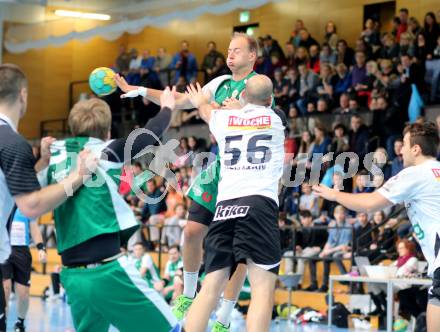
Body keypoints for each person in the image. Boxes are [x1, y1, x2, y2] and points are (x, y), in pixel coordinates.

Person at [115, 33, 269, 328]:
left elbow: (252, 124)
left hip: (244, 173)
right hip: (218, 166)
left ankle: (224, 316)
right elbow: (182, 100)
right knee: (191, 231)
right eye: (228, 49)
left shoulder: (260, 87)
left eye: (237, 50)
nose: (230, 54)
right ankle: (187, 294)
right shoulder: (221, 84)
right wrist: (139, 89)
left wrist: (213, 108)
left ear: (253, 55)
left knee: (238, 251)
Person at [37, 92, 179, 331]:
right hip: (106, 270)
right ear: (107, 132)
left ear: (73, 129)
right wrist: (167, 107)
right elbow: (149, 134)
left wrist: (41, 161)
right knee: (172, 328)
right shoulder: (106, 150)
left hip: (71, 275)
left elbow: (31, 189)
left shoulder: (52, 152)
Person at [313, 122, 440, 332]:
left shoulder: (415, 174)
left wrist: (334, 195)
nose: (401, 149)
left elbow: (371, 202)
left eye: (406, 144)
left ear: (416, 149)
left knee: (436, 300)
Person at [183, 74, 286, 332]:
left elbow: (207, 111)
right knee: (262, 289)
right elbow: (255, 111)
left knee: (210, 288)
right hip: (259, 205)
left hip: (225, 207)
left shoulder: (225, 120)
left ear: (242, 96)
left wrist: (198, 101)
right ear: (270, 100)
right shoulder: (276, 121)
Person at [0, 64, 97, 332]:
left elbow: (8, 183)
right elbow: (31, 205)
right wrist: (77, 177)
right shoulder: (12, 142)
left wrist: (42, 161)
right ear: (23, 95)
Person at [1, 208, 47, 332]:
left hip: (21, 251)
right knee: (4, 289)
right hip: (3, 249)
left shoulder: (24, 205)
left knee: (23, 293)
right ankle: (2, 324)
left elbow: (34, 227)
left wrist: (41, 248)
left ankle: (20, 322)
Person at [310, 205, 352, 292]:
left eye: (342, 213)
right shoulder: (333, 225)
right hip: (331, 250)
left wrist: (327, 251)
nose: (340, 216)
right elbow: (329, 242)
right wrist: (324, 251)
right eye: (337, 213)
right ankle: (314, 284)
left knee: (327, 257)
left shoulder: (348, 227)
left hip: (342, 250)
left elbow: (343, 246)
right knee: (312, 258)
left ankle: (325, 285)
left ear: (345, 215)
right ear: (334, 215)